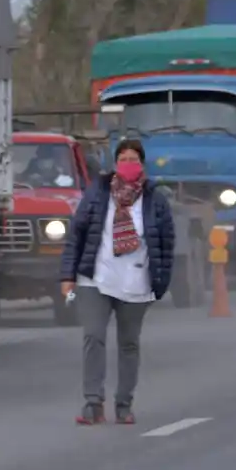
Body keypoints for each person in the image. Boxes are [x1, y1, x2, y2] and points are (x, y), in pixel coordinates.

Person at [59, 137, 175, 426]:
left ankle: (124, 404)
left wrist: (160, 281)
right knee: (93, 336)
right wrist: (67, 275)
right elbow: (77, 234)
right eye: (123, 159)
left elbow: (166, 243)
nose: (128, 164)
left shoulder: (155, 200)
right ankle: (92, 403)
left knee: (128, 344)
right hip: (95, 278)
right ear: (114, 164)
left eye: (134, 159)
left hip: (136, 281)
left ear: (142, 165)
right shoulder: (98, 194)